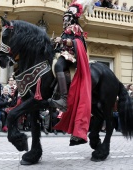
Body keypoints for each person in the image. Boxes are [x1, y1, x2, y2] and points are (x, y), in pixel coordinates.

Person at [49, 0, 91, 145]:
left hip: (71, 56)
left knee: (59, 66)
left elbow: (77, 42)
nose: (64, 21)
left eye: (66, 18)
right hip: (63, 53)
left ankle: (64, 98)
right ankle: (55, 93)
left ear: (72, 18)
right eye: (63, 18)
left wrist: (63, 41)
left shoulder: (75, 27)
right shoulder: (66, 29)